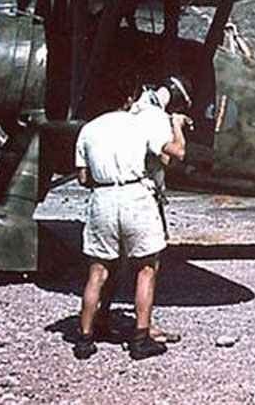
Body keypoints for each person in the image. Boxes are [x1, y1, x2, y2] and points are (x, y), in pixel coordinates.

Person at [73, 76, 191, 360]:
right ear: (128, 99)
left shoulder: (87, 130)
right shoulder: (139, 124)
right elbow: (177, 153)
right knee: (146, 269)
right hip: (136, 197)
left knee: (97, 271)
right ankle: (140, 340)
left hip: (101, 199)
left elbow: (83, 177)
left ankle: (85, 339)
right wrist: (176, 124)